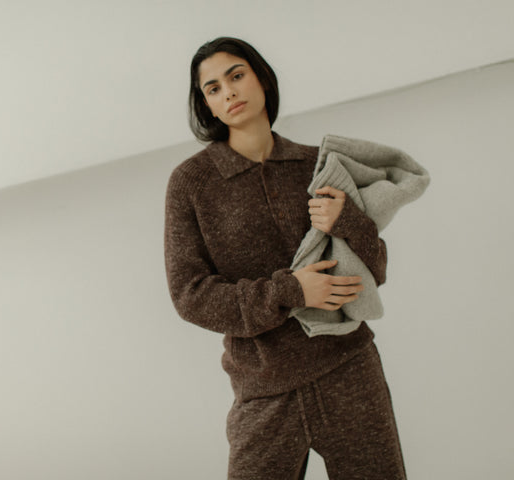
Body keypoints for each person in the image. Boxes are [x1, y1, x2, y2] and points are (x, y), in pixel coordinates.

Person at [164, 37, 406, 480]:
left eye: (236, 76)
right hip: (264, 388)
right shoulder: (192, 183)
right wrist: (291, 290)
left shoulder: (317, 165)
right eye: (213, 88)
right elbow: (189, 295)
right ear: (207, 105)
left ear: (261, 79)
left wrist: (350, 222)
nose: (229, 92)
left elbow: (375, 271)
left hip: (350, 369)